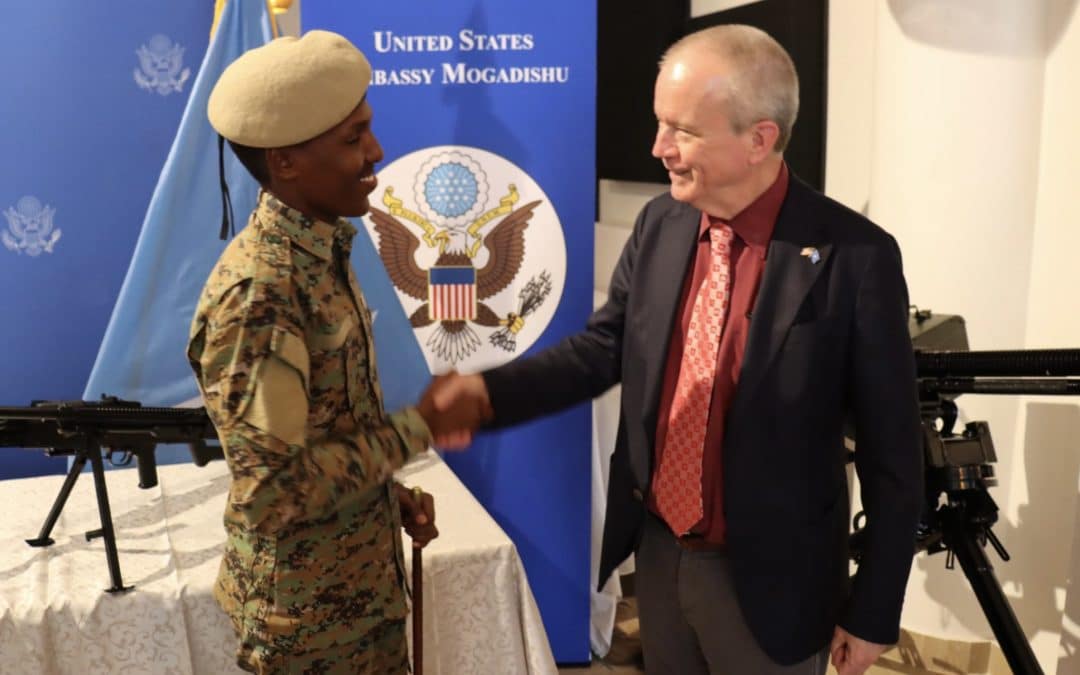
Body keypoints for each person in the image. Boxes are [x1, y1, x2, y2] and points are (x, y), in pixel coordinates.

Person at [433, 24, 923, 675]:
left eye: (683, 130)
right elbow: (605, 348)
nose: (658, 147)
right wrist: (487, 395)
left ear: (759, 139)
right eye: (660, 122)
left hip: (775, 589)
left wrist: (873, 608)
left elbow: (894, 454)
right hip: (660, 559)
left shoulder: (855, 257)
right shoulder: (661, 223)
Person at [187, 30, 483, 673]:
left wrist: (382, 494)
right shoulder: (263, 293)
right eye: (354, 138)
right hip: (310, 630)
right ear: (285, 162)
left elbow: (322, 429)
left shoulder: (320, 251)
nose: (376, 151)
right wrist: (421, 427)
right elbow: (273, 490)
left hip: (356, 601)